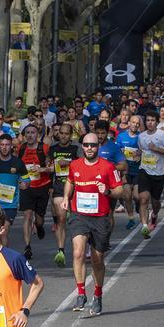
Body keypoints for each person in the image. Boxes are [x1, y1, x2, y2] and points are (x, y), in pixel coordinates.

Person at [65, 133, 124, 316]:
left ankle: (97, 295)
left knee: (97, 260)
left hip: (100, 218)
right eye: (86, 145)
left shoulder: (108, 166)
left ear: (98, 146)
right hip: (79, 215)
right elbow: (70, 181)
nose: (89, 148)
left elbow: (119, 190)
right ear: (82, 146)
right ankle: (81, 293)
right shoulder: (74, 165)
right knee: (78, 252)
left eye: (93, 145)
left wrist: (106, 190)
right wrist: (67, 198)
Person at [15, 124, 51, 261]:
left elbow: (51, 167)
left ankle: (39, 225)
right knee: (27, 215)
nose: (30, 135)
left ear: (38, 135)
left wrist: (43, 169)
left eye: (33, 132)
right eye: (27, 133)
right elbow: (17, 166)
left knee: (39, 219)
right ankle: (27, 246)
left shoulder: (44, 148)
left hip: (42, 186)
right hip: (27, 187)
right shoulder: (21, 149)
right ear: (24, 135)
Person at [136, 111, 164, 238]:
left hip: (158, 173)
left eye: (152, 120)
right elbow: (141, 150)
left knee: (155, 202)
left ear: (157, 122)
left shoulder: (162, 135)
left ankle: (154, 215)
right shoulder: (141, 136)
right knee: (143, 199)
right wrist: (137, 154)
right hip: (144, 171)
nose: (150, 123)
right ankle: (145, 227)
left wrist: (156, 149)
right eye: (147, 120)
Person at [48, 123, 79, 264]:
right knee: (61, 218)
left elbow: (81, 164)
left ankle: (79, 247)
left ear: (71, 135)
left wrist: (67, 162)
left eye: (67, 134)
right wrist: (49, 165)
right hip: (59, 187)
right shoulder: (53, 148)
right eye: (61, 133)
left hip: (75, 187)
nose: (64, 136)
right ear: (58, 133)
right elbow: (48, 164)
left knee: (75, 220)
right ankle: (60, 250)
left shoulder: (76, 148)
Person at [116, 115, 143, 231]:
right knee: (127, 196)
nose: (135, 125)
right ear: (129, 123)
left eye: (137, 123)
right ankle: (131, 219)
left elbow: (146, 151)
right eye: (133, 122)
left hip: (137, 170)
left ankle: (137, 204)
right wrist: (120, 152)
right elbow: (116, 152)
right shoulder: (121, 137)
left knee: (137, 196)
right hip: (125, 171)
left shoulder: (141, 137)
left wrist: (140, 154)